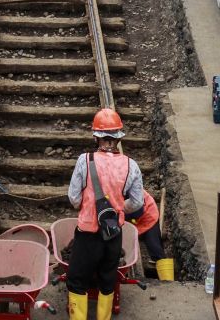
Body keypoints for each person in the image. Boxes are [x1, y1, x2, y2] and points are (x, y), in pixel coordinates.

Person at [66, 107, 145, 320]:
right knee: (108, 281)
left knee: (76, 281)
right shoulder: (132, 165)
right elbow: (137, 202)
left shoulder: (85, 160)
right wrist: (118, 208)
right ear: (118, 138)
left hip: (88, 233)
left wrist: (88, 206)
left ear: (96, 137)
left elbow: (73, 198)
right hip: (113, 234)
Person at [125, 188, 173, 280]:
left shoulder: (132, 187)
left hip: (147, 216)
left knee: (155, 248)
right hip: (125, 219)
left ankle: (169, 284)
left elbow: (137, 210)